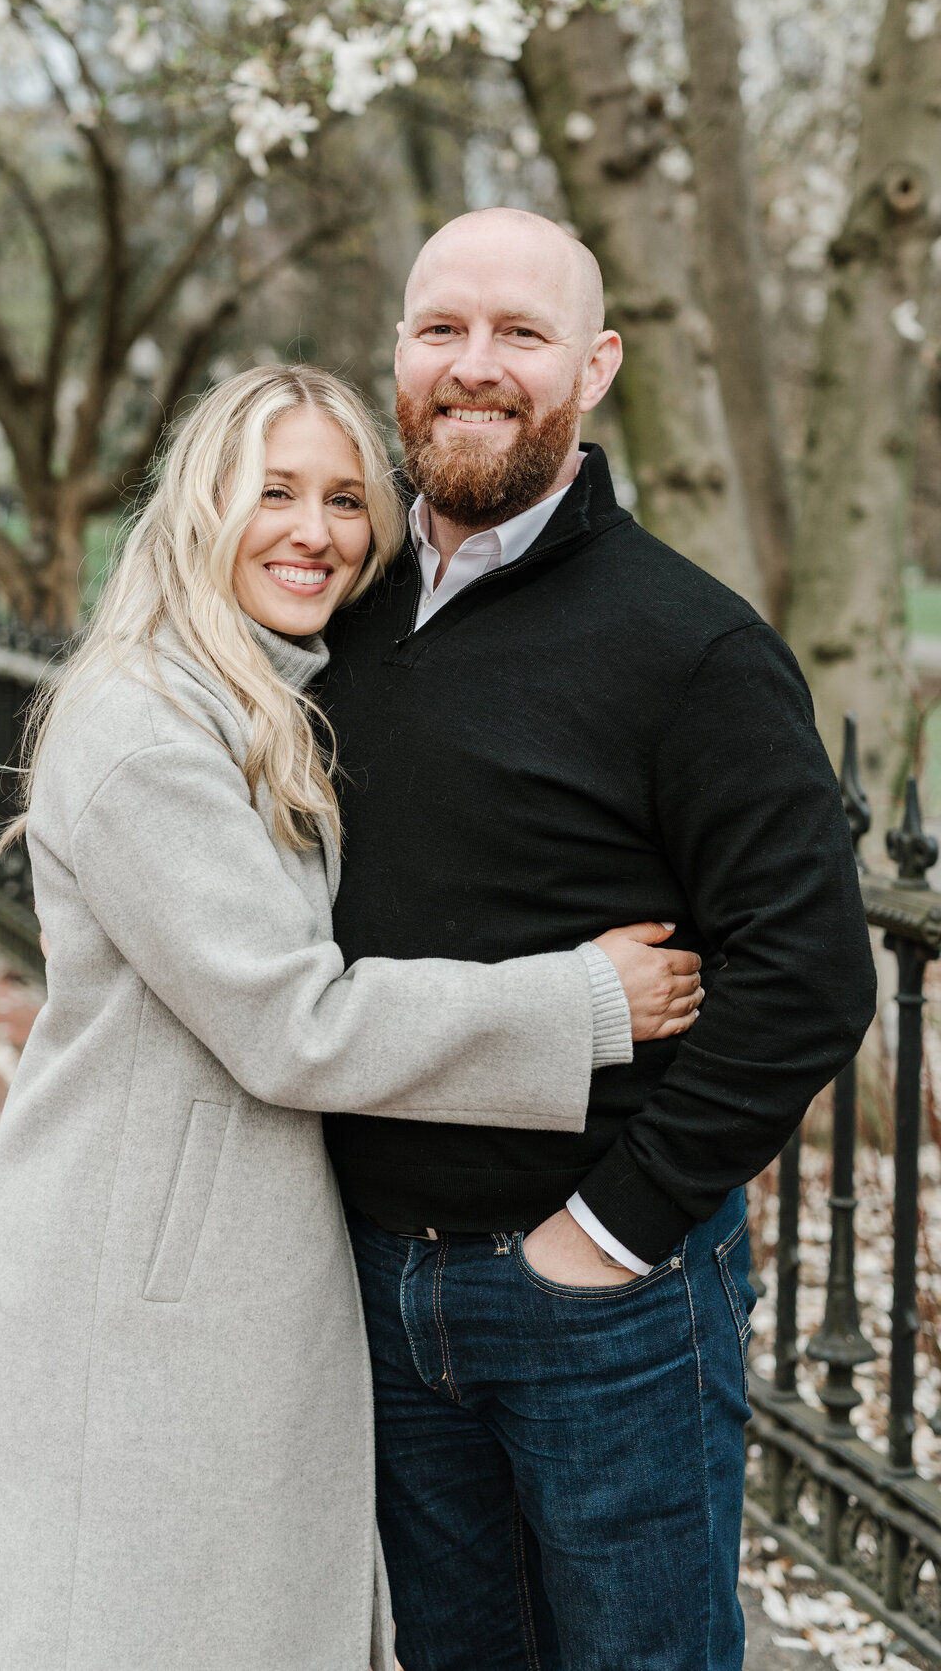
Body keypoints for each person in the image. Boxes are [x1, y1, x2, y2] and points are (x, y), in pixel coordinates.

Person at [0, 364, 701, 1671]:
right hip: (149, 1279)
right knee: (130, 1626)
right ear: (199, 507)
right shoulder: (143, 727)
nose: (315, 529)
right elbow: (291, 1020)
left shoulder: (263, 691)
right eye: (274, 492)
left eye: (348, 497)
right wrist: (580, 1003)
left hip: (237, 1253)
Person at [315, 209, 878, 1671]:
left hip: (600, 1303)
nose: (475, 367)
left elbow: (814, 973)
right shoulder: (341, 618)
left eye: (522, 334)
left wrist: (610, 1232)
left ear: (598, 365)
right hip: (376, 1284)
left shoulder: (688, 647)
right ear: (397, 354)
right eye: (442, 329)